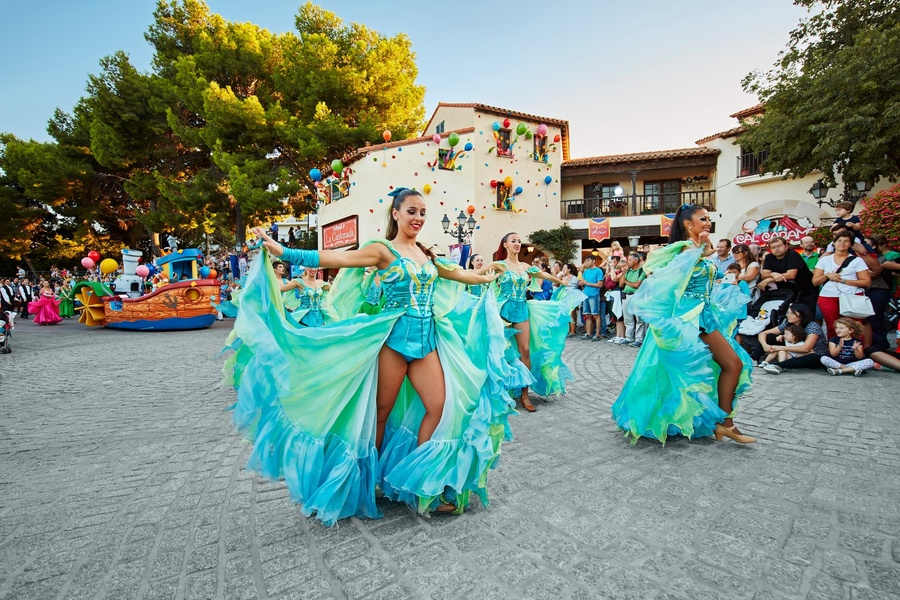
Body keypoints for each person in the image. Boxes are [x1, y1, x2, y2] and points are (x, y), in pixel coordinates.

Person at [229, 187, 508, 524]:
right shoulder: (381, 250)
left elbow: (456, 274)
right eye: (411, 211)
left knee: (439, 406)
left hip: (428, 342)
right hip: (393, 342)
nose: (418, 218)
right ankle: (368, 481)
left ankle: (421, 483)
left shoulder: (425, 253)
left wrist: (486, 276)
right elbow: (336, 258)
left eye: (422, 212)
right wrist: (285, 251)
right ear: (396, 213)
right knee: (380, 412)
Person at [611, 204, 755, 444]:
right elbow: (665, 278)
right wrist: (700, 247)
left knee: (701, 368)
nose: (708, 222)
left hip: (706, 314)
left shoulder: (698, 249)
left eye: (709, 218)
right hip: (691, 318)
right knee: (732, 364)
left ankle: (716, 421)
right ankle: (724, 424)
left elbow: (706, 257)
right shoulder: (683, 250)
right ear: (688, 223)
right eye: (703, 218)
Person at [487, 232, 583, 411]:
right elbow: (479, 275)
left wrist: (560, 282)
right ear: (505, 245)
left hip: (522, 310)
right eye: (513, 241)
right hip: (503, 311)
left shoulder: (525, 266)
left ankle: (525, 395)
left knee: (525, 351)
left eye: (518, 241)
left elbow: (544, 276)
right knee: (500, 351)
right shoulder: (499, 265)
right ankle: (500, 392)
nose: (517, 243)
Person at [812, 230, 871, 338]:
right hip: (828, 296)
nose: (842, 243)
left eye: (846, 241)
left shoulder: (857, 260)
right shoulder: (824, 260)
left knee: (854, 327)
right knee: (833, 327)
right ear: (834, 243)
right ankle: (834, 352)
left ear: (850, 244)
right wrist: (827, 275)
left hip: (851, 296)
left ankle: (855, 352)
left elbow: (866, 281)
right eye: (839, 240)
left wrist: (844, 281)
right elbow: (815, 282)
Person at [757, 304, 828, 372]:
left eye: (791, 313)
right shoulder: (788, 324)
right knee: (770, 336)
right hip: (793, 352)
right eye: (788, 313)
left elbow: (806, 348)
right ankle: (753, 358)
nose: (788, 315)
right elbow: (763, 333)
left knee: (812, 357)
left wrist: (779, 348)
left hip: (812, 355)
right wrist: (765, 345)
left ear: (801, 315)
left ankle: (779, 366)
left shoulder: (812, 326)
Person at [758, 236, 817, 314]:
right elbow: (764, 275)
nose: (776, 249)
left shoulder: (792, 254)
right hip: (788, 292)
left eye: (779, 246)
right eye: (773, 247)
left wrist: (769, 279)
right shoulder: (769, 257)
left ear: (786, 246)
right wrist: (773, 274)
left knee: (805, 316)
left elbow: (790, 275)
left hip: (805, 291)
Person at [862, 234, 893, 351]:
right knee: (865, 319)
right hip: (864, 290)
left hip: (878, 290)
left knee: (876, 318)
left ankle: (881, 345)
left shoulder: (881, 258)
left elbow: (873, 273)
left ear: (874, 246)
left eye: (866, 244)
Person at [618, 252, 646, 348]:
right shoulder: (628, 271)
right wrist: (624, 272)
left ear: (636, 260)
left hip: (636, 296)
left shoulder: (642, 271)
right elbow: (621, 284)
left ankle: (639, 339)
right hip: (626, 296)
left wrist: (626, 281)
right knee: (628, 318)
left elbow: (637, 285)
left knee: (639, 319)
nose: (627, 262)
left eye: (630, 260)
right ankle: (629, 337)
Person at [579, 255, 605, 340]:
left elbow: (600, 284)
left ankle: (597, 334)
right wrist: (582, 283)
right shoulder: (586, 271)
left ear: (593, 261)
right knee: (587, 315)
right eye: (586, 261)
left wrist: (587, 283)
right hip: (585, 294)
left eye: (588, 260)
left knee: (596, 315)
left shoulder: (598, 271)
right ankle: (588, 333)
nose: (586, 262)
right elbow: (584, 282)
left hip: (594, 295)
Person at [561, 263, 580, 336]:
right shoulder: (565, 277)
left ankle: (572, 331)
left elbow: (573, 288)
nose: (563, 270)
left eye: (565, 268)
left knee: (571, 314)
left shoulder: (573, 278)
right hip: (565, 297)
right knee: (567, 314)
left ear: (569, 269)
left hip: (571, 297)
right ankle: (568, 330)